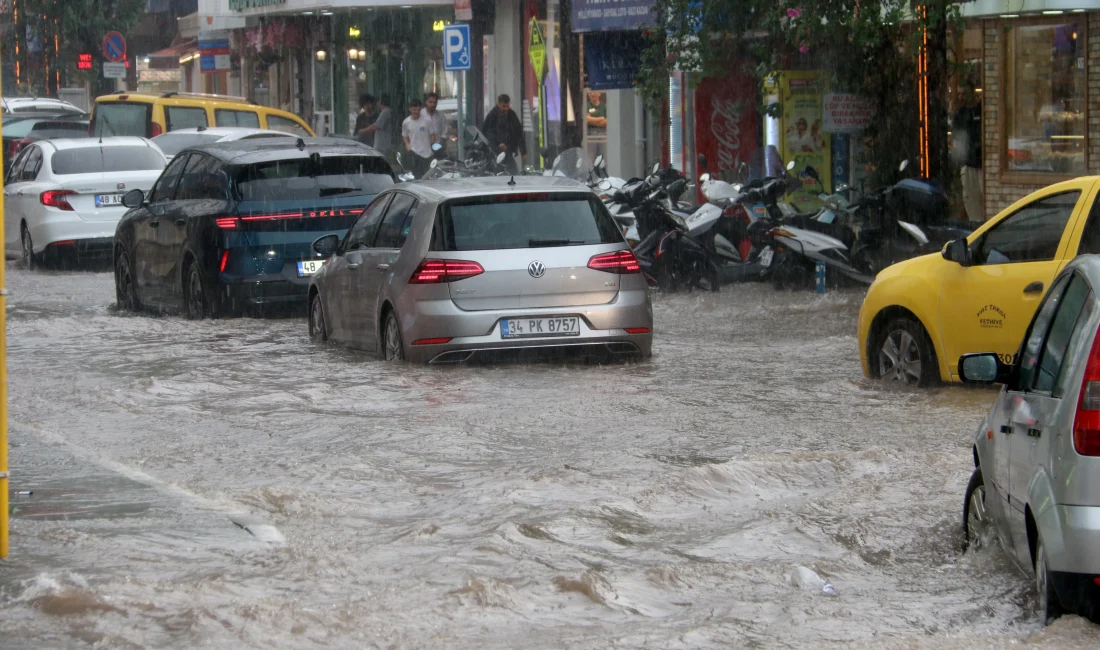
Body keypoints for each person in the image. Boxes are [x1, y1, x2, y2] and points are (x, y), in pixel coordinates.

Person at [952, 82, 984, 222]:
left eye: (964, 93)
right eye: (959, 94)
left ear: (972, 92)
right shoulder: (960, 114)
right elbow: (956, 140)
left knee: (986, 201)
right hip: (968, 165)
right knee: (972, 204)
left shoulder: (983, 110)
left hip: (984, 165)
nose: (961, 97)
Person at [481, 93, 525, 174]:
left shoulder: (512, 115)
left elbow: (518, 133)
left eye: (507, 106)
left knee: (513, 172)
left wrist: (523, 150)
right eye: (503, 107)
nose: (506, 109)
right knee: (501, 171)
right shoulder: (492, 116)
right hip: (495, 152)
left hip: (508, 150)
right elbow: (487, 133)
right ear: (498, 104)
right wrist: (497, 144)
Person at [402, 98, 436, 178]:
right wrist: (407, 144)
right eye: (414, 109)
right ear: (409, 109)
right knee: (416, 176)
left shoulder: (427, 120)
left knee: (428, 176)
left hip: (427, 153)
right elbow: (404, 135)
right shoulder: (406, 122)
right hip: (414, 152)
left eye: (418, 109)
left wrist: (431, 144)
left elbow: (433, 134)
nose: (416, 112)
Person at [360, 94, 396, 162]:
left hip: (382, 144)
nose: (376, 104)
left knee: (379, 162)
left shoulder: (385, 112)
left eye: (377, 101)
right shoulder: (384, 112)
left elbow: (376, 126)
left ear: (381, 102)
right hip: (381, 143)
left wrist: (363, 131)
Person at [424, 92, 448, 158]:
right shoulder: (420, 115)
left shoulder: (441, 116)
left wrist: (440, 147)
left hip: (437, 150)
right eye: (430, 102)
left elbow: (444, 133)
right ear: (426, 102)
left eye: (435, 102)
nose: (433, 104)